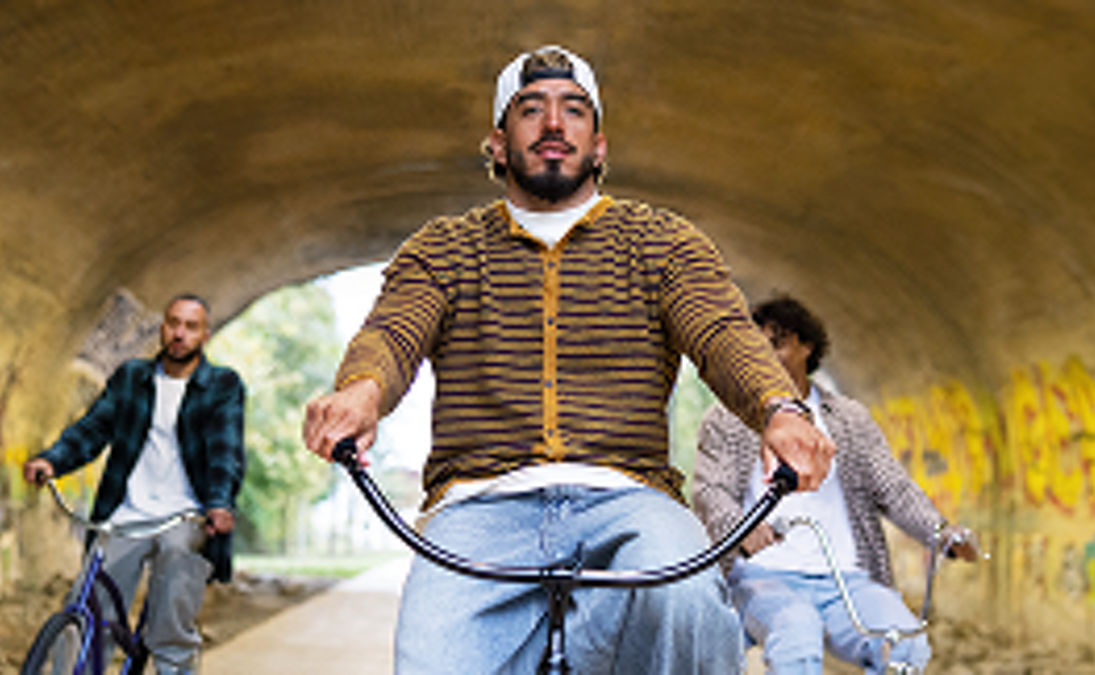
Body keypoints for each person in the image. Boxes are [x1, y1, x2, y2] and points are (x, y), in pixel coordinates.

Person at [302, 44, 835, 673]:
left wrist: (779, 408)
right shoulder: (444, 247)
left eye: (573, 110)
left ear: (599, 145)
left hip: (631, 497)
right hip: (478, 503)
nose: (554, 124)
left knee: (688, 605)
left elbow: (721, 331)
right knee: (432, 656)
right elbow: (392, 332)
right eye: (531, 109)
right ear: (498, 144)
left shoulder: (663, 241)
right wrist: (360, 393)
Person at [692, 295, 979, 674]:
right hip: (764, 576)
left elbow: (893, 487)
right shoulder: (726, 418)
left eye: (776, 345)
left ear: (806, 347)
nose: (764, 357)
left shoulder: (849, 419)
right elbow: (710, 491)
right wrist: (742, 530)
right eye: (755, 348)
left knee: (906, 643)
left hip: (848, 578)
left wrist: (942, 534)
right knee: (796, 635)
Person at [23, 294, 245, 675]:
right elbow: (92, 429)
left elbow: (226, 453)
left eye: (190, 327)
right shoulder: (131, 378)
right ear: (162, 327)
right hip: (125, 514)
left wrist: (220, 503)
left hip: (187, 517)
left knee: (171, 617)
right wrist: (52, 460)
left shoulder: (222, 385)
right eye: (173, 323)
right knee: (86, 613)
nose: (179, 333)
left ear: (204, 335)